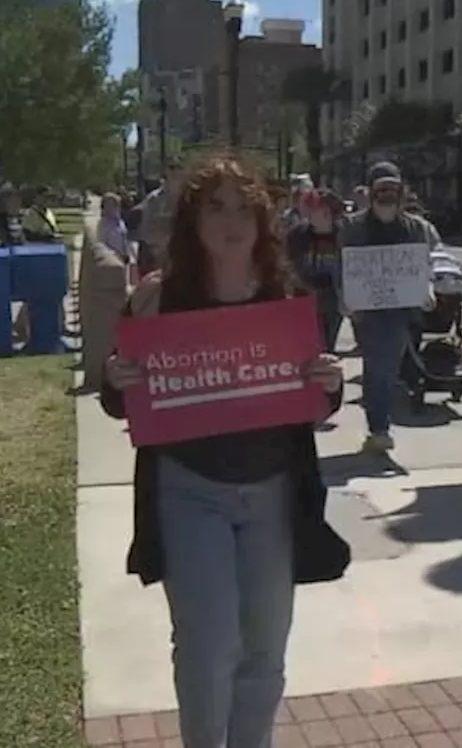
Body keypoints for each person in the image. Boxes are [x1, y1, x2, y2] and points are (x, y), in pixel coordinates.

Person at [99, 157, 351, 748]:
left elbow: (311, 405)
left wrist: (330, 383)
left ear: (264, 219)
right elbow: (119, 398)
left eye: (245, 206)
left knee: (264, 648)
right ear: (192, 218)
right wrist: (116, 377)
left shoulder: (285, 296)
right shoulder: (156, 299)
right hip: (190, 491)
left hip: (272, 494)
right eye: (216, 205)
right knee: (210, 643)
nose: (231, 220)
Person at [340, 161, 442, 454]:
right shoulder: (352, 227)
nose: (386, 195)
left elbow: (432, 261)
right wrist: (346, 299)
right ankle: (379, 427)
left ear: (401, 192)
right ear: (370, 192)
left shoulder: (418, 229)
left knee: (387, 369)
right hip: (366, 312)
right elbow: (342, 266)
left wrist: (429, 290)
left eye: (392, 189)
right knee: (377, 367)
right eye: (380, 189)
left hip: (401, 312)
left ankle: (379, 424)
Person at [287, 188, 346, 352]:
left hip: (334, 299)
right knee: (311, 346)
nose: (311, 213)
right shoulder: (297, 235)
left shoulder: (345, 234)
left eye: (319, 209)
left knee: (328, 345)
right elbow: (288, 265)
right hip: (306, 299)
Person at [97, 192, 134, 263]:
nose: (112, 207)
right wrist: (115, 255)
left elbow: (126, 240)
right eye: (108, 205)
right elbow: (101, 245)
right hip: (112, 261)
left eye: (114, 204)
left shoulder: (120, 223)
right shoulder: (103, 224)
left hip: (125, 259)